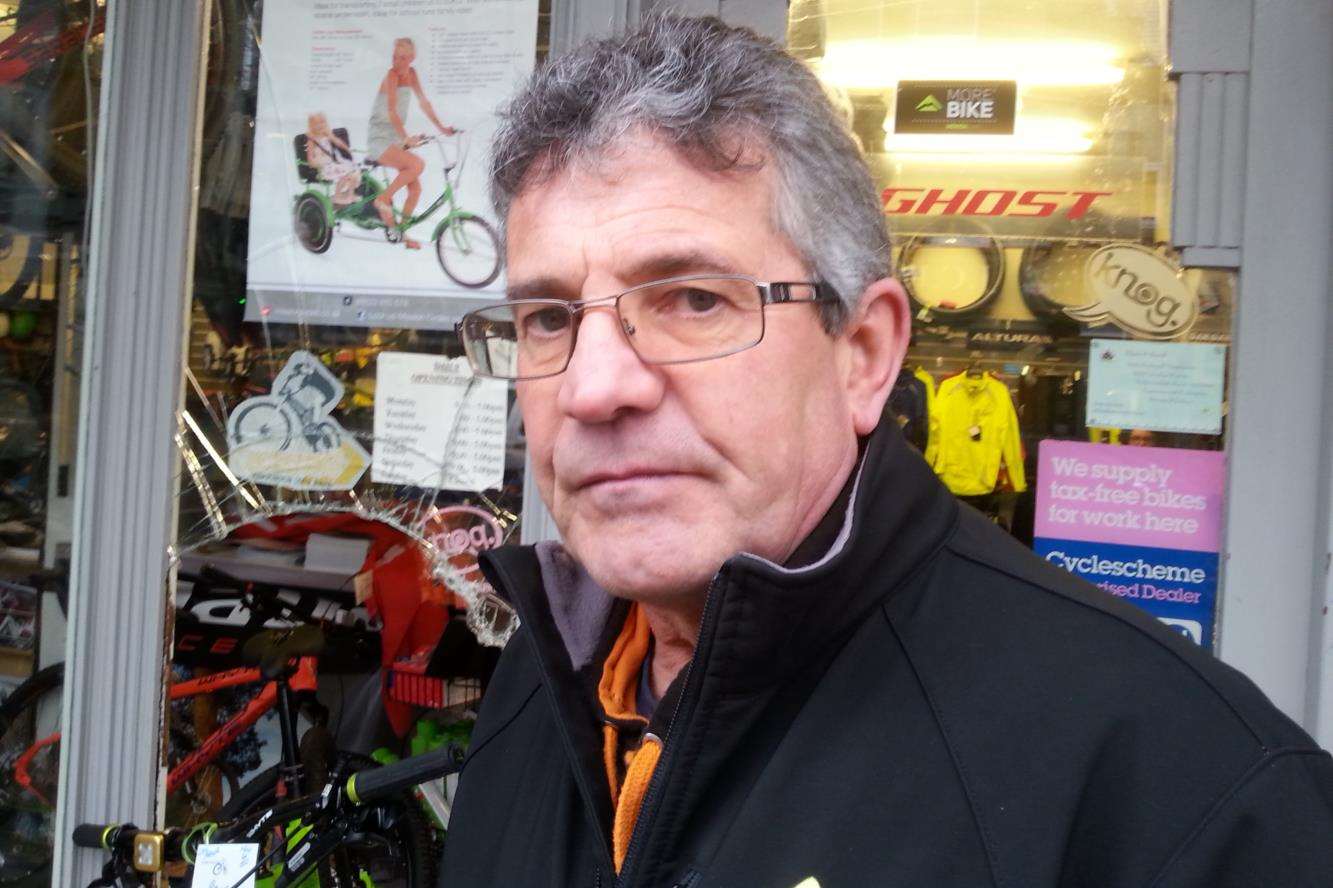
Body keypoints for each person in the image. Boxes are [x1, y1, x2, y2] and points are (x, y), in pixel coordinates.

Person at [440, 16, 1333, 888]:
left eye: (693, 300)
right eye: (549, 318)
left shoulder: (1184, 789)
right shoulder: (547, 677)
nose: (593, 388)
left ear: (863, 353)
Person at [366, 37, 455, 249]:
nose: (397, 61)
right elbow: (392, 112)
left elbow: (424, 103)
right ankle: (383, 198)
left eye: (403, 57)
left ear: (412, 58)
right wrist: (406, 138)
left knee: (415, 190)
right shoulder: (391, 76)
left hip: (396, 138)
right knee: (416, 165)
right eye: (394, 56)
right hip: (380, 137)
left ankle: (400, 234)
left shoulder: (412, 74)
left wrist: (442, 129)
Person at [303, 112, 359, 206]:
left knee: (354, 172)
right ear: (311, 126)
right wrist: (320, 162)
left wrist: (347, 149)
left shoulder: (327, 135)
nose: (320, 126)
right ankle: (337, 197)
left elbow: (338, 143)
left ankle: (350, 194)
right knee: (347, 172)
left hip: (333, 163)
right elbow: (310, 161)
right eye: (316, 124)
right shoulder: (311, 140)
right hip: (324, 168)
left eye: (322, 123)